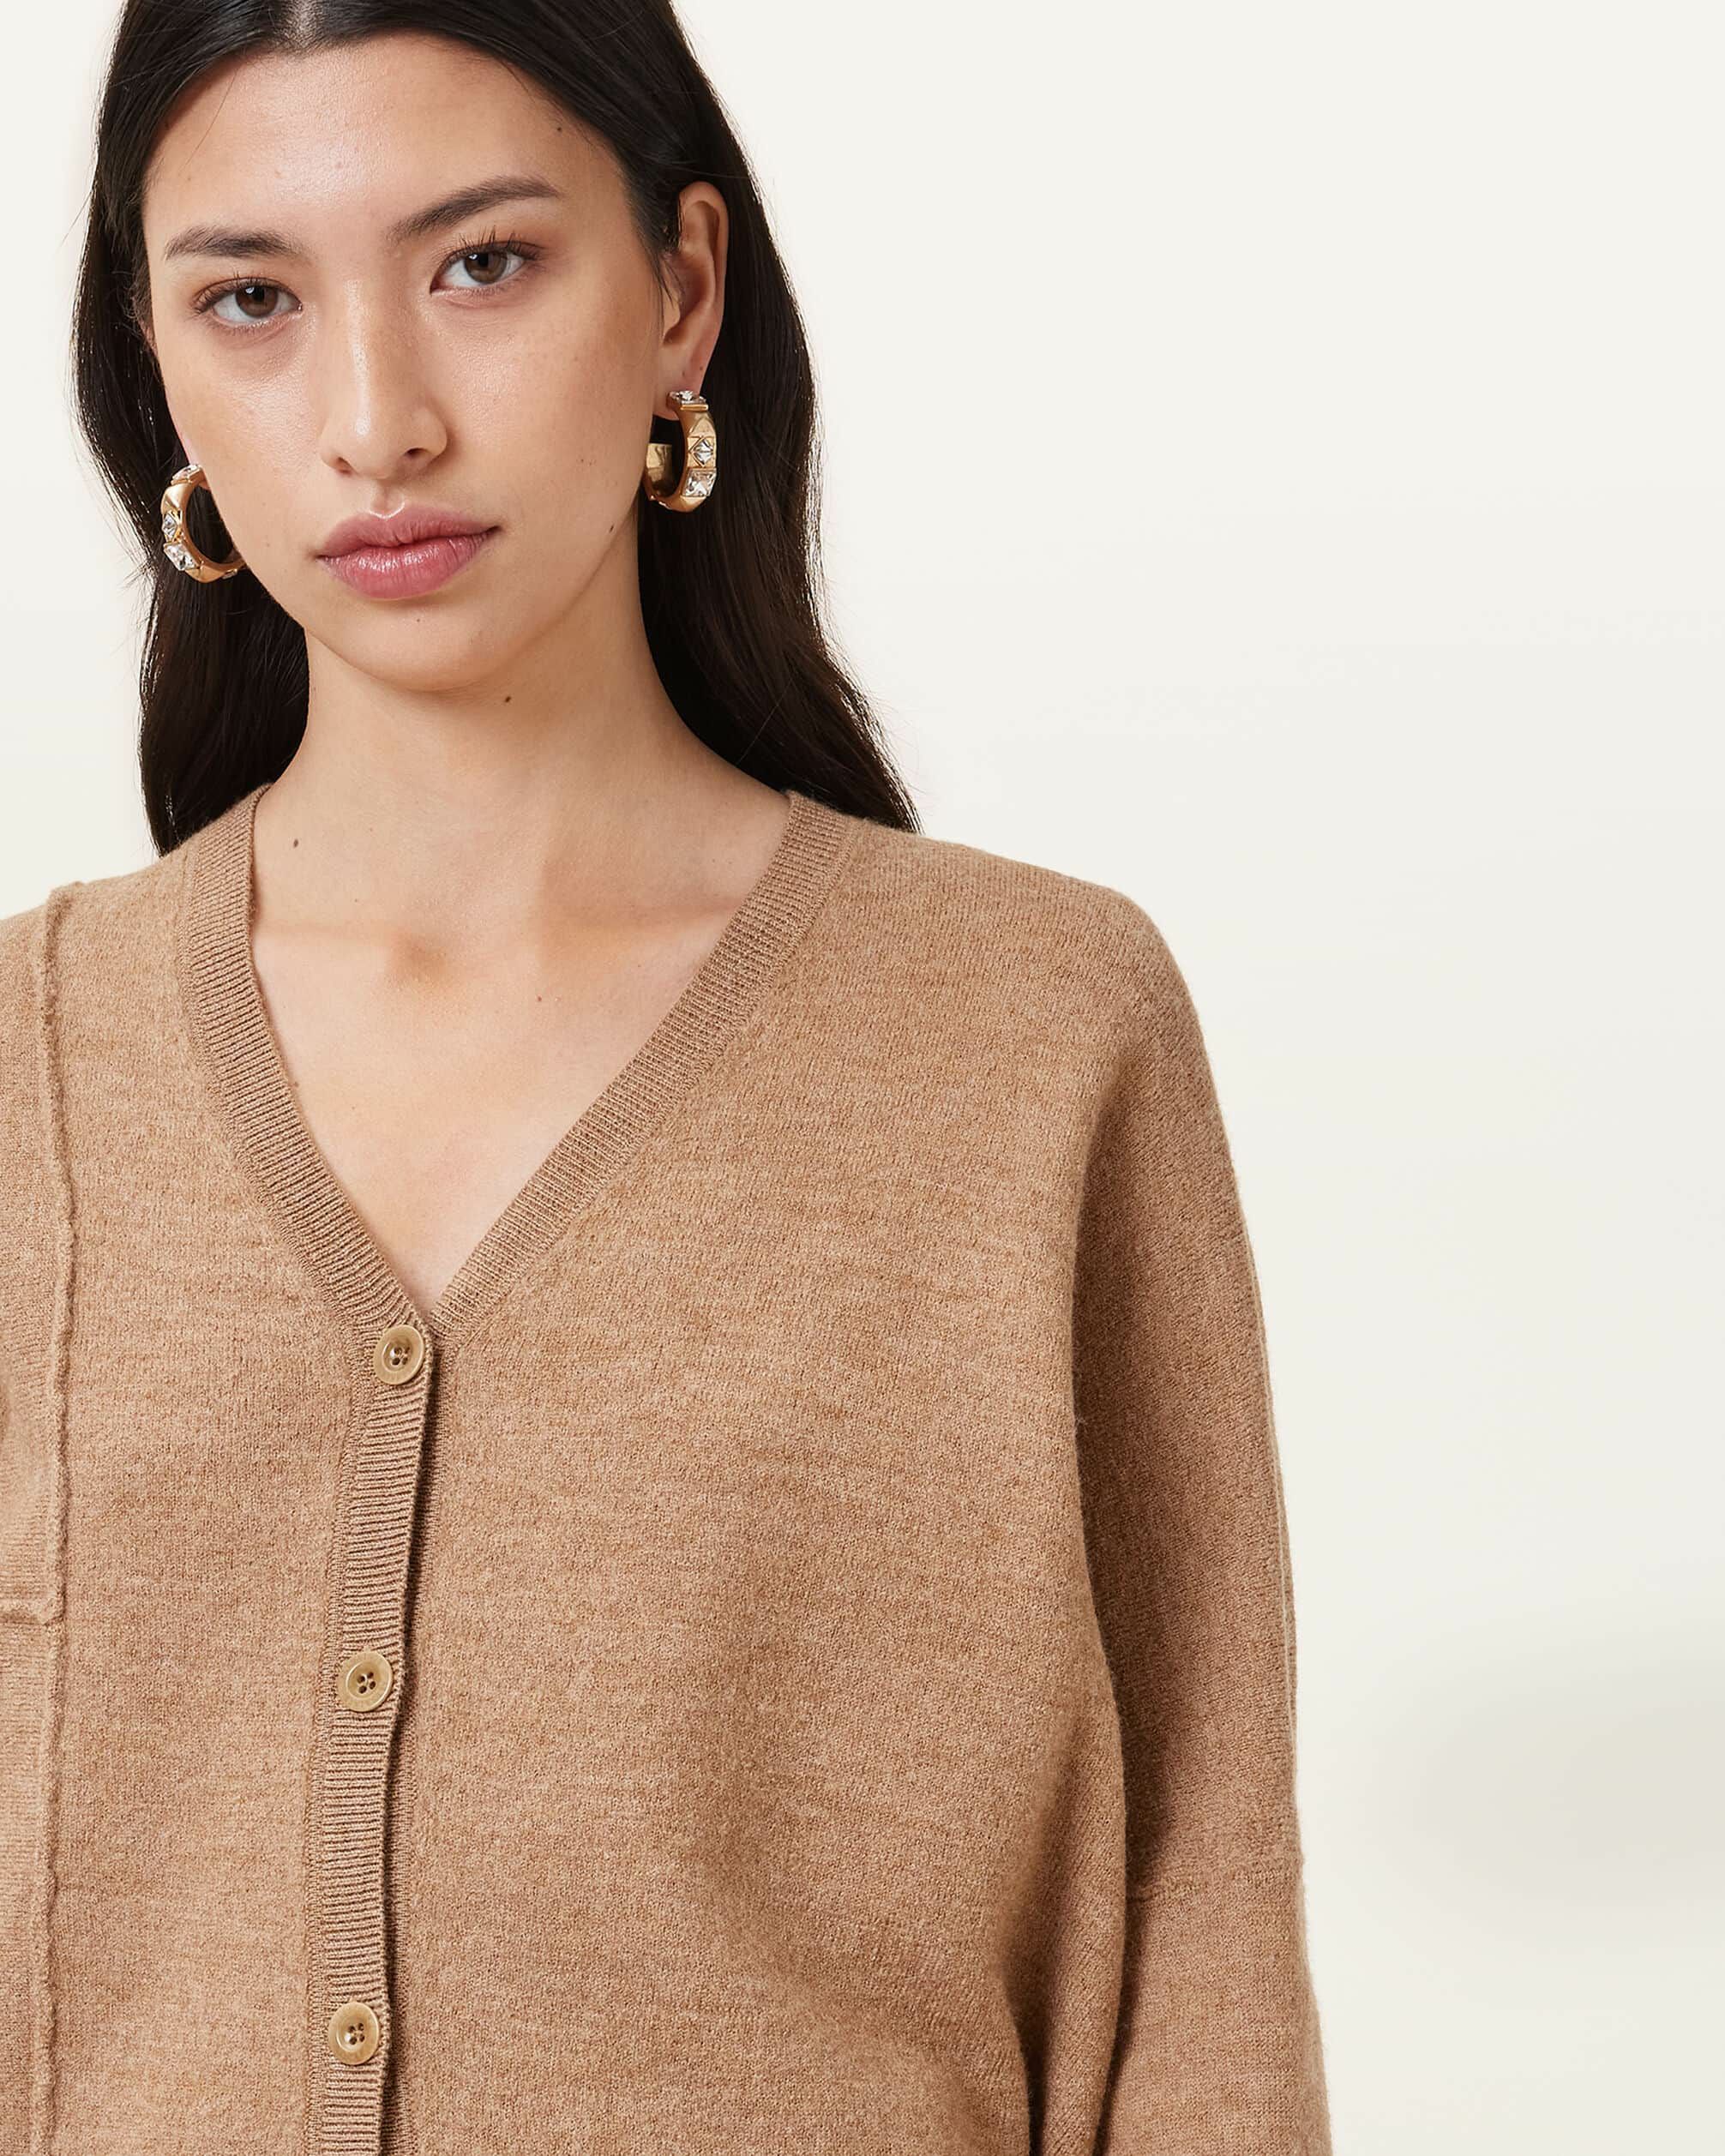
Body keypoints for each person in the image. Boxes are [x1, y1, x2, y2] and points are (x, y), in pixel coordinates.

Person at [0, 4, 1334, 2152]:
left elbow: (1203, 1944)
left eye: (483, 264)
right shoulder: (28, 1069)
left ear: (682, 291)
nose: (376, 421)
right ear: (155, 364)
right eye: (250, 300)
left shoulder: (1020, 1032)